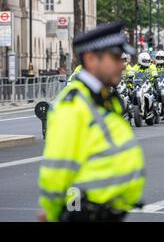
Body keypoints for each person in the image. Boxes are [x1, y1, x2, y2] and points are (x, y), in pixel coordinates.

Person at [37, 21, 146, 222]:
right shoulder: (73, 105)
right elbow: (58, 170)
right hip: (85, 214)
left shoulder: (100, 96)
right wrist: (54, 214)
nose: (122, 64)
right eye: (114, 57)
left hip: (107, 212)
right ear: (90, 59)